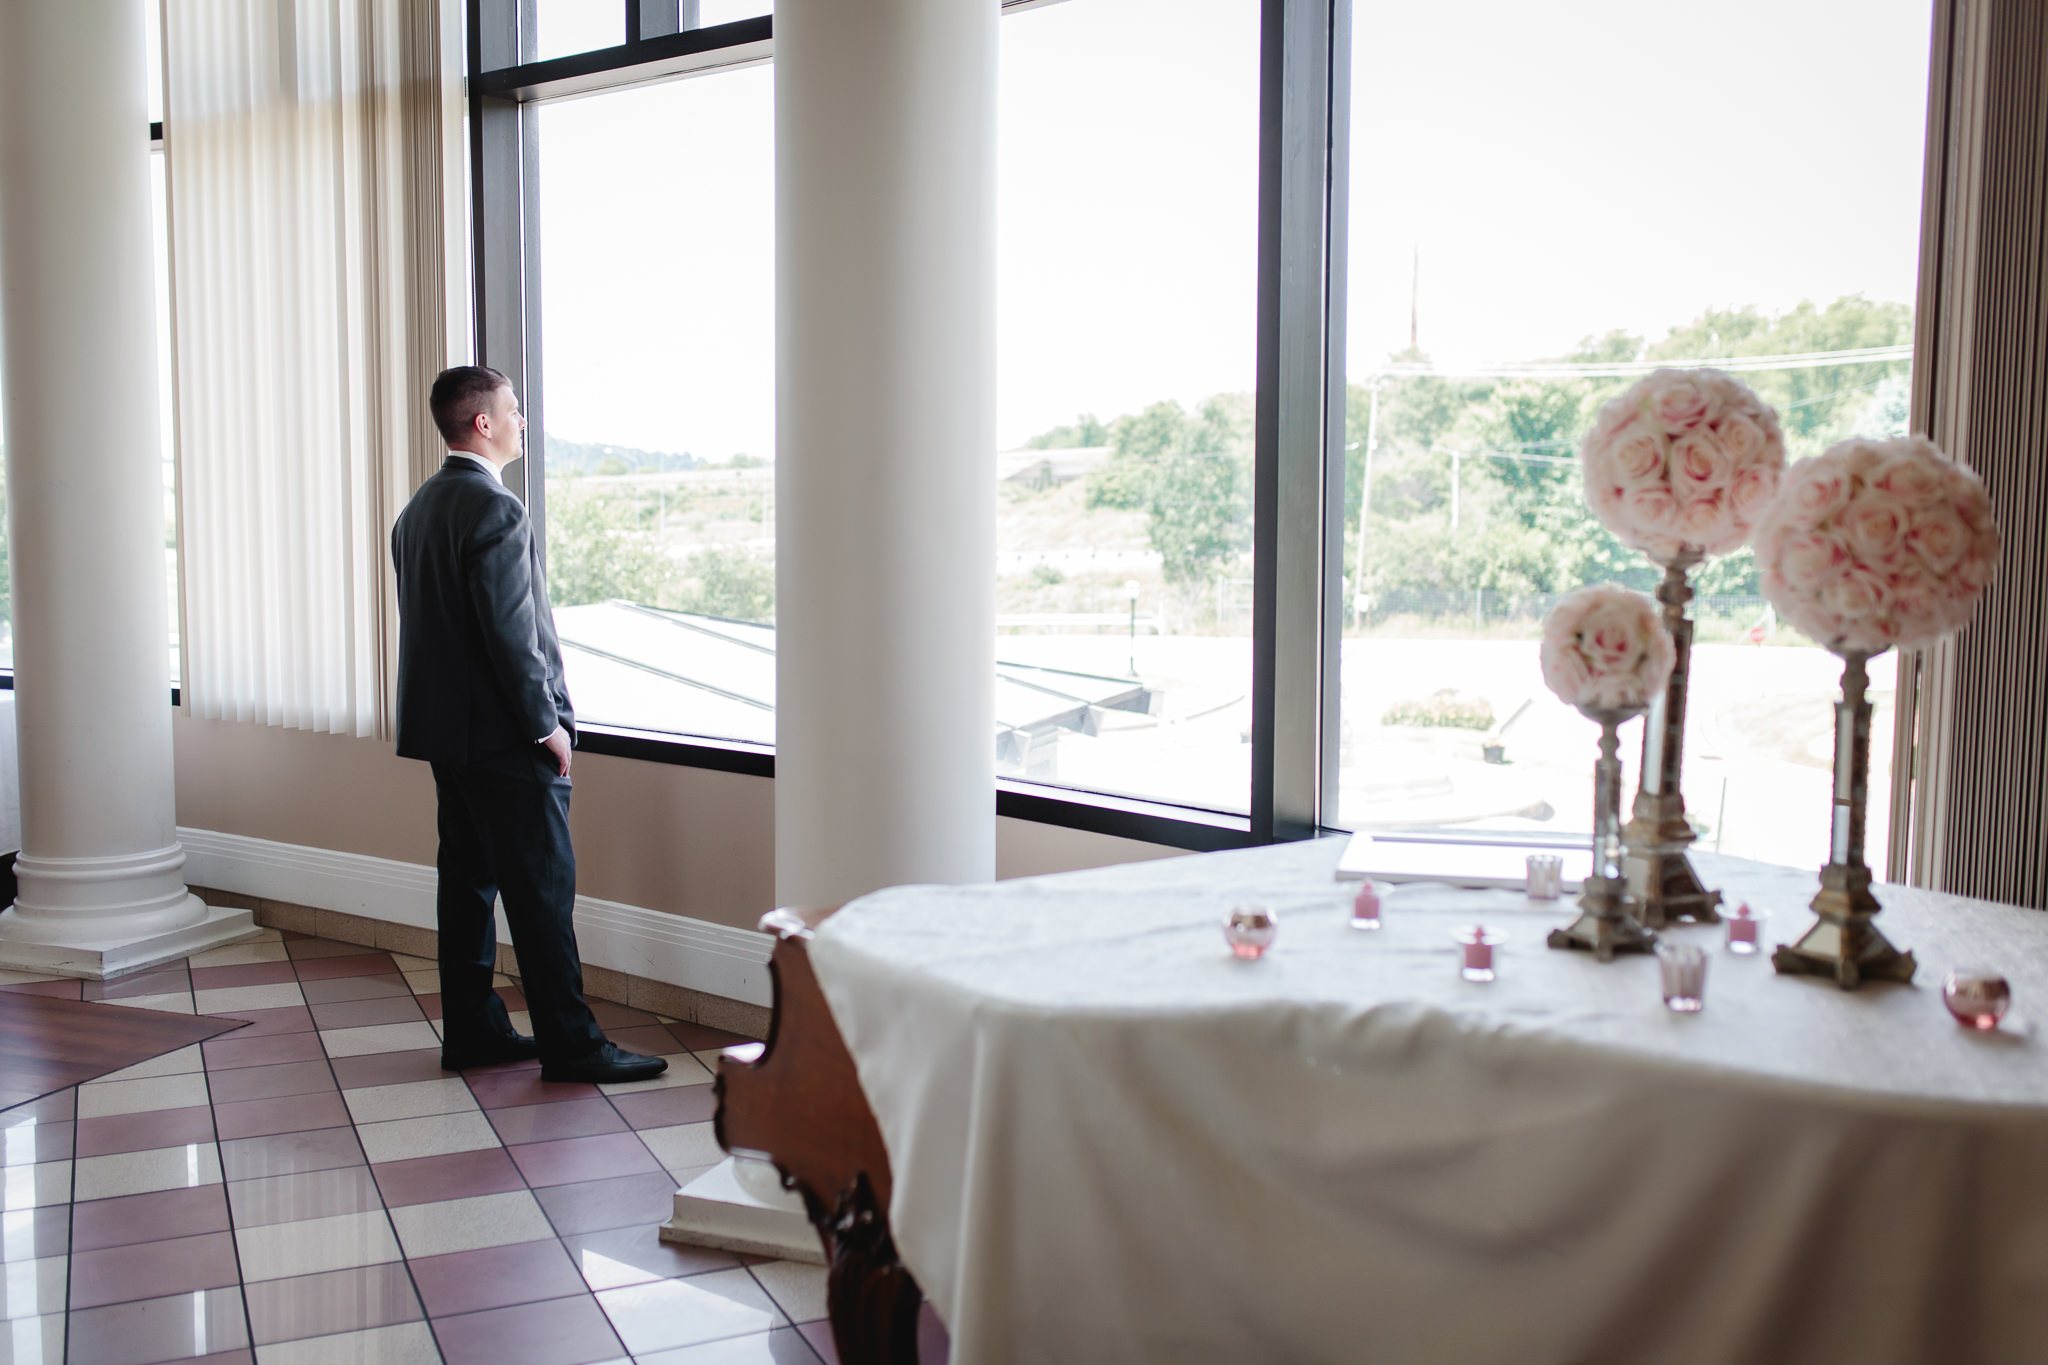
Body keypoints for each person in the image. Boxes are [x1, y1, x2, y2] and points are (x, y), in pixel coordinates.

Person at [391, 365, 667, 1084]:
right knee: (543, 893)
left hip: (447, 738)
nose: (523, 419)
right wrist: (546, 725)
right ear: (482, 422)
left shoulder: (417, 509)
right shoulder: (497, 511)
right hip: (508, 739)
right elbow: (514, 637)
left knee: (467, 885)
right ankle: (572, 1046)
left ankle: (475, 1031)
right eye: (514, 409)